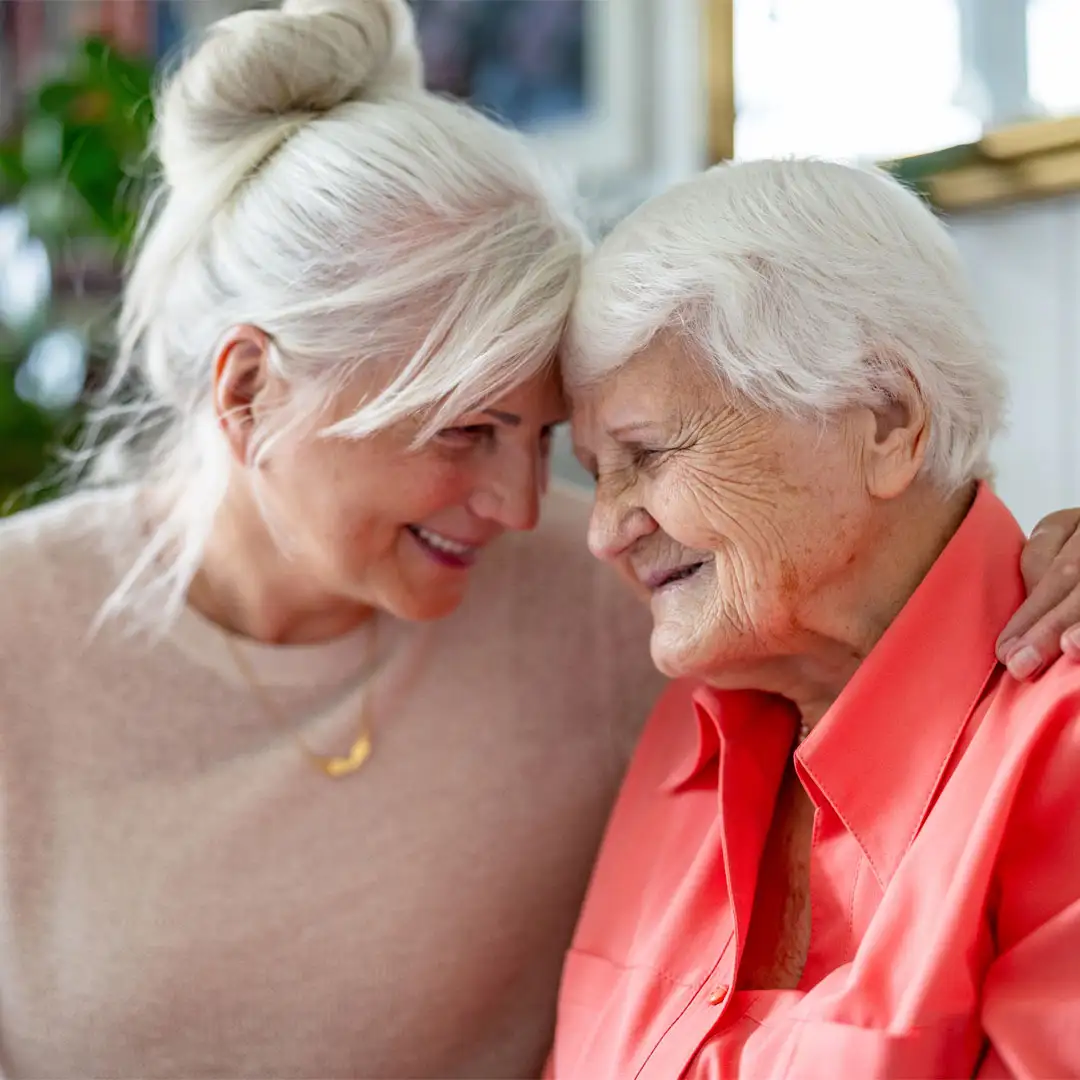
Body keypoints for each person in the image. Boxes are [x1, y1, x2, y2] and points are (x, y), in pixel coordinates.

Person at [0, 2, 1077, 1076]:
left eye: (549, 441)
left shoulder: (640, 615)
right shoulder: (20, 635)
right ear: (247, 393)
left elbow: (900, 569)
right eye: (465, 431)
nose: (535, 511)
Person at [547, 158, 1080, 1079]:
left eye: (647, 453)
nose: (602, 531)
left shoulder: (1057, 746)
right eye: (597, 472)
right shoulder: (685, 729)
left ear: (884, 419)